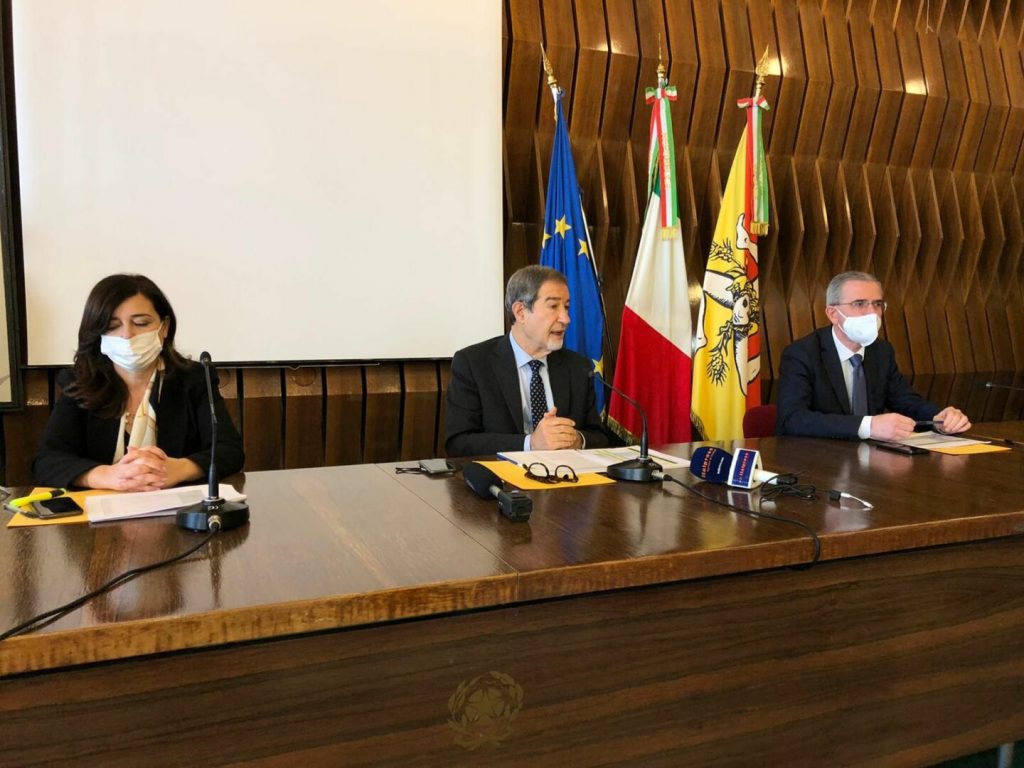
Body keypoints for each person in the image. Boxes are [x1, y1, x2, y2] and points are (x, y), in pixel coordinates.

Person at [32, 274, 244, 490]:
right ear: (97, 333)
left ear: (164, 327)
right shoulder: (80, 383)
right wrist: (106, 476)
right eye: (112, 326)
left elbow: (229, 451)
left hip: (176, 505)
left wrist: (179, 469)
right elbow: (47, 462)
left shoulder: (194, 378)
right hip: (102, 506)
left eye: (141, 323)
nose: (127, 335)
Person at [776, 271, 971, 440]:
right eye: (859, 303)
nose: (871, 313)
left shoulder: (881, 351)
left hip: (870, 459)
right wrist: (868, 426)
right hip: (817, 459)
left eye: (877, 304)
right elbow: (793, 419)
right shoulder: (801, 354)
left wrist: (939, 418)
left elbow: (906, 401)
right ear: (833, 314)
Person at [445, 265, 610, 457]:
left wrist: (577, 439)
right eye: (553, 306)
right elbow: (458, 443)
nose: (566, 319)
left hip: (565, 473)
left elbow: (599, 436)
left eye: (566, 307)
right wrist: (530, 443)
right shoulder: (473, 363)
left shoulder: (578, 367)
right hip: (502, 474)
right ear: (520, 312)